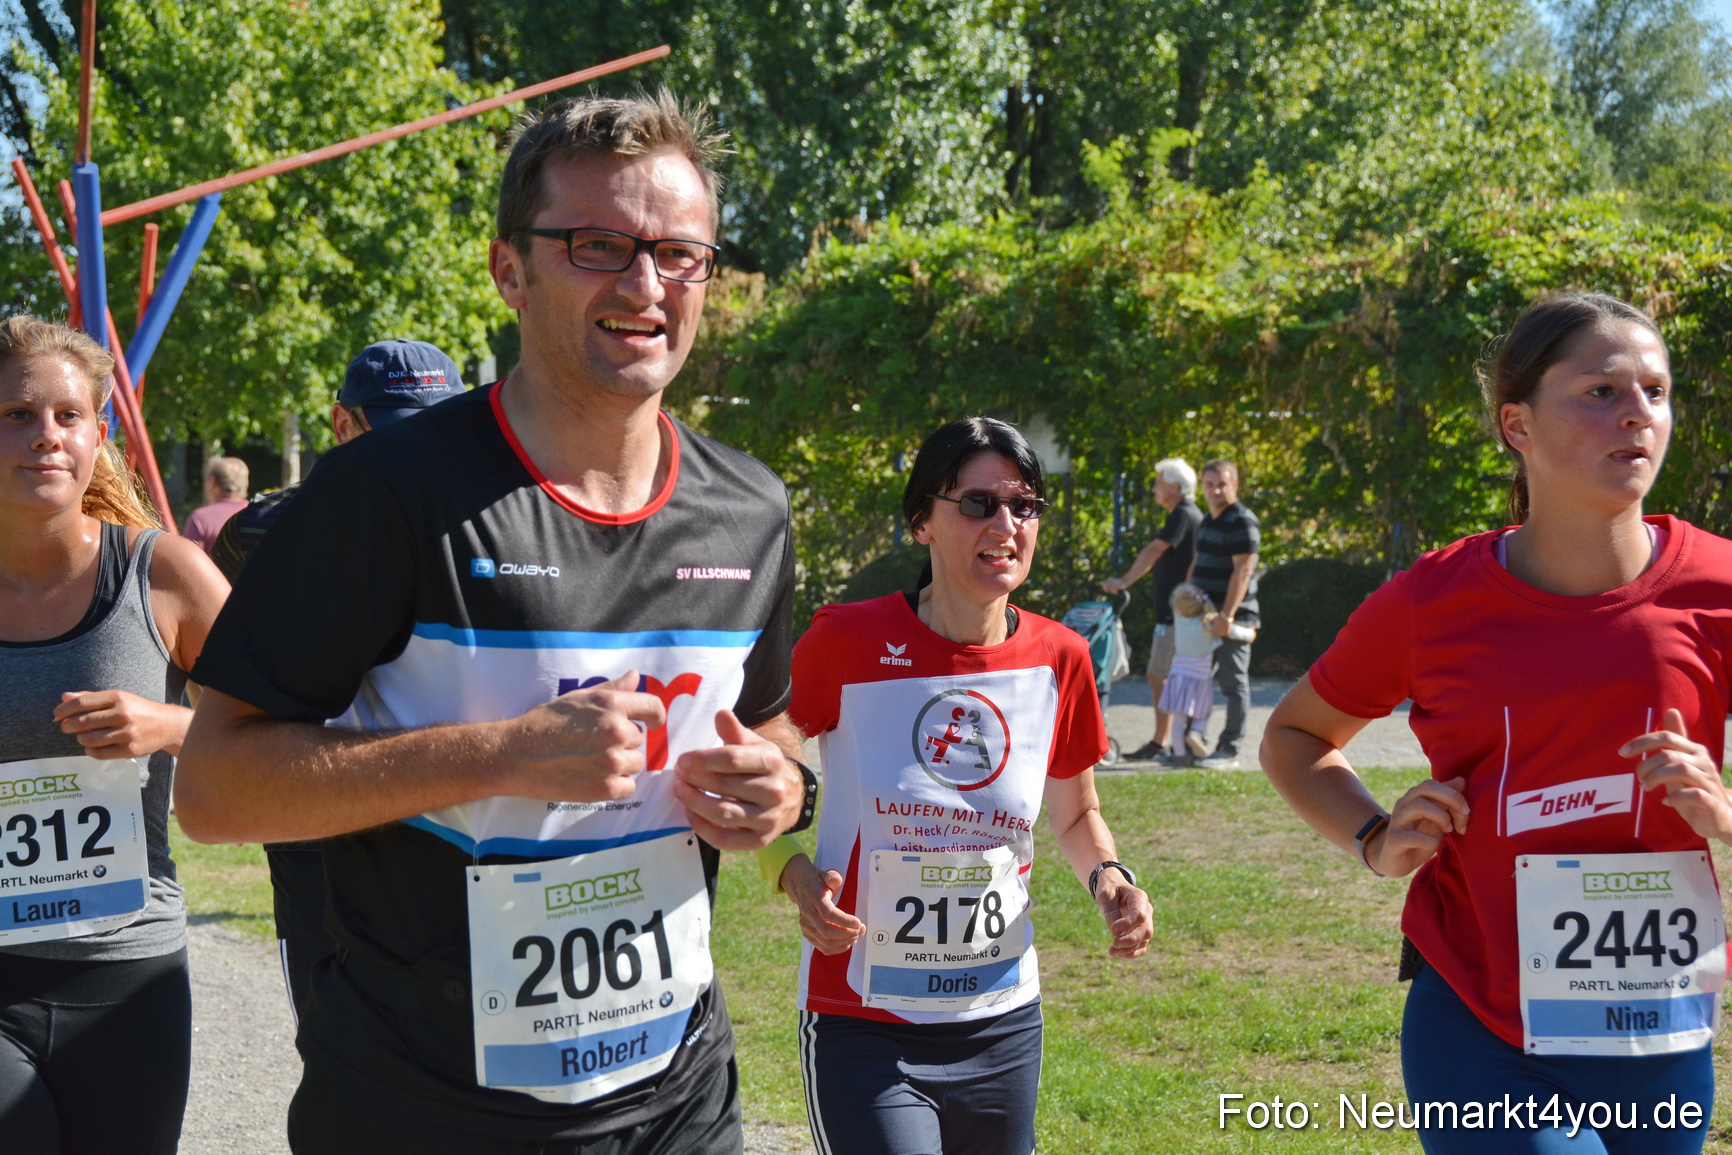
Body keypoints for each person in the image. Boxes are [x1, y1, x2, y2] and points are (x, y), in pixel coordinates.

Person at [176, 91, 812, 1155]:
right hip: (422, 1109)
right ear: (507, 269)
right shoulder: (384, 493)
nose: (645, 286)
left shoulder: (750, 510)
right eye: (598, 245)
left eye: (679, 254)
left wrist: (781, 788)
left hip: (678, 1101)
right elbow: (216, 787)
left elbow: (774, 728)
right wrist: (502, 756)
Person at [1261, 292, 1732, 1154]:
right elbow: (1293, 736)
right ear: (1517, 423)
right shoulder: (1431, 601)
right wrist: (1373, 836)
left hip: (1658, 1025)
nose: (1637, 415)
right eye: (1600, 391)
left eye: (1656, 392)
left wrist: (1725, 815)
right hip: (1481, 1023)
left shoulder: (1718, 587)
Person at [768, 417, 1154, 1155]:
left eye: (1026, 505)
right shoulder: (847, 641)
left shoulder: (1061, 659)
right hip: (864, 1021)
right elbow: (753, 754)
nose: (1006, 524)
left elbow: (1076, 815)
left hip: (1002, 1020)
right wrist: (791, 871)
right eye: (979, 504)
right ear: (924, 521)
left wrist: (1110, 878)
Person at [0, 314, 229, 1155]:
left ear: (100, 432)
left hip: (127, 975)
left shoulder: (162, 572)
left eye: (68, 415)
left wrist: (169, 724)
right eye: (17, 414)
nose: (45, 438)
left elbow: (287, 732)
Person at [207, 338, 467, 1024]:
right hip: (315, 814)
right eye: (399, 431)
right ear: (343, 424)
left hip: (446, 818)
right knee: (334, 1038)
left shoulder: (480, 523)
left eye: (438, 428)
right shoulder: (265, 528)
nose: (419, 451)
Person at [1101, 457, 1202, 762]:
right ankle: (1176, 740)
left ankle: (1164, 741)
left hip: (1177, 617)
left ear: (1174, 486)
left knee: (1159, 675)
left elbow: (1153, 550)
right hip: (1180, 615)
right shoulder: (1186, 514)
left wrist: (1124, 581)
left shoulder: (1183, 514)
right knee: (1168, 677)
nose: (1154, 488)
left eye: (1158, 482)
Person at [1185, 458, 1259, 769]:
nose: (1215, 490)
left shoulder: (1242, 520)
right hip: (1201, 617)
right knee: (1195, 680)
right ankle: (1190, 743)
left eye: (1221, 484)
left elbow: (1243, 570)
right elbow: (1197, 562)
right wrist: (1187, 594)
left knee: (1233, 683)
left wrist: (1226, 616)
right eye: (1209, 484)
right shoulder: (1209, 520)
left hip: (1233, 619)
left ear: (1235, 485)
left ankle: (1229, 749)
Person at [1159, 583, 1255, 763]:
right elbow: (1233, 632)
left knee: (1178, 719)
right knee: (1203, 713)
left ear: (1179, 608)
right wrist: (1250, 633)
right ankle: (1196, 731)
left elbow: (1179, 605)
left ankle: (1180, 755)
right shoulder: (1207, 627)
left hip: (1178, 677)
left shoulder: (1179, 620)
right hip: (1200, 680)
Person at [180, 455, 248, 551]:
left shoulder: (201, 517)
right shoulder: (257, 513)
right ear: (245, 483)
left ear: (213, 481)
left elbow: (187, 560)